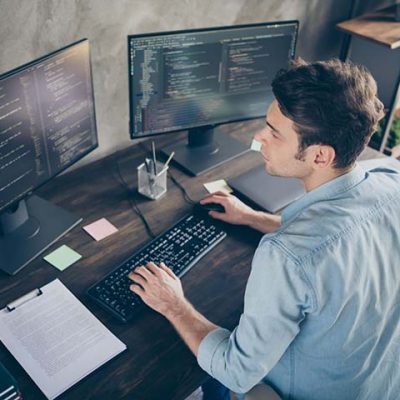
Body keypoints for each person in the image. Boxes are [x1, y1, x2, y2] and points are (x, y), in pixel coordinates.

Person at [128, 58, 400, 399]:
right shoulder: (391, 181)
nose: (259, 139)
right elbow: (341, 243)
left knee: (206, 375)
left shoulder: (286, 256)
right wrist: (255, 218)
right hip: (380, 383)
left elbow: (236, 369)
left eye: (273, 132)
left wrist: (173, 304)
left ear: (320, 156)